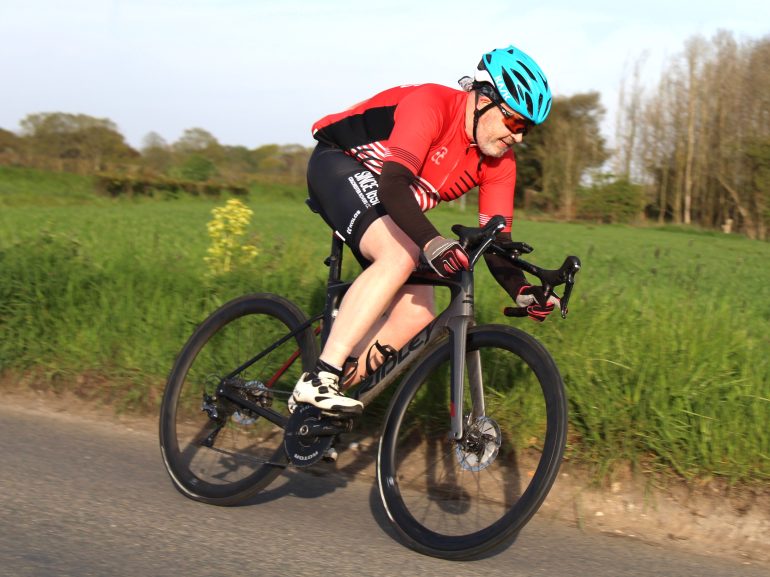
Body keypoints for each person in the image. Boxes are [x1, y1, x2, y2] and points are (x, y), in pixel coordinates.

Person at [290, 44, 559, 415]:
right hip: (339, 164)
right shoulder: (432, 105)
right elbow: (393, 186)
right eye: (515, 123)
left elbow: (498, 243)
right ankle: (321, 376)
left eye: (526, 129)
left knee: (416, 314)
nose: (519, 137)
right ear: (484, 100)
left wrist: (523, 290)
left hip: (388, 199)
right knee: (399, 256)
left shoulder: (501, 163)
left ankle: (316, 412)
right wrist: (431, 242)